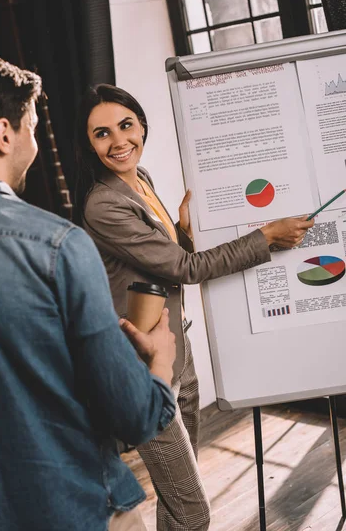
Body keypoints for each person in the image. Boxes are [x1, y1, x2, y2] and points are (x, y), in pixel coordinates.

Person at [0, 55, 177, 531]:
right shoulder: (55, 245)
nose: (32, 142)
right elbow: (134, 416)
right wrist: (158, 364)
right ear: (4, 134)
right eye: (31, 127)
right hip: (71, 506)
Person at [75, 83, 315, 531]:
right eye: (102, 134)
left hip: (174, 349)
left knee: (176, 502)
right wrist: (266, 238)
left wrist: (181, 230)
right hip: (140, 368)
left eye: (126, 125)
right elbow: (186, 268)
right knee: (193, 511)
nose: (119, 141)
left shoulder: (138, 180)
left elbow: (160, 261)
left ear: (142, 124)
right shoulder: (103, 203)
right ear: (88, 145)